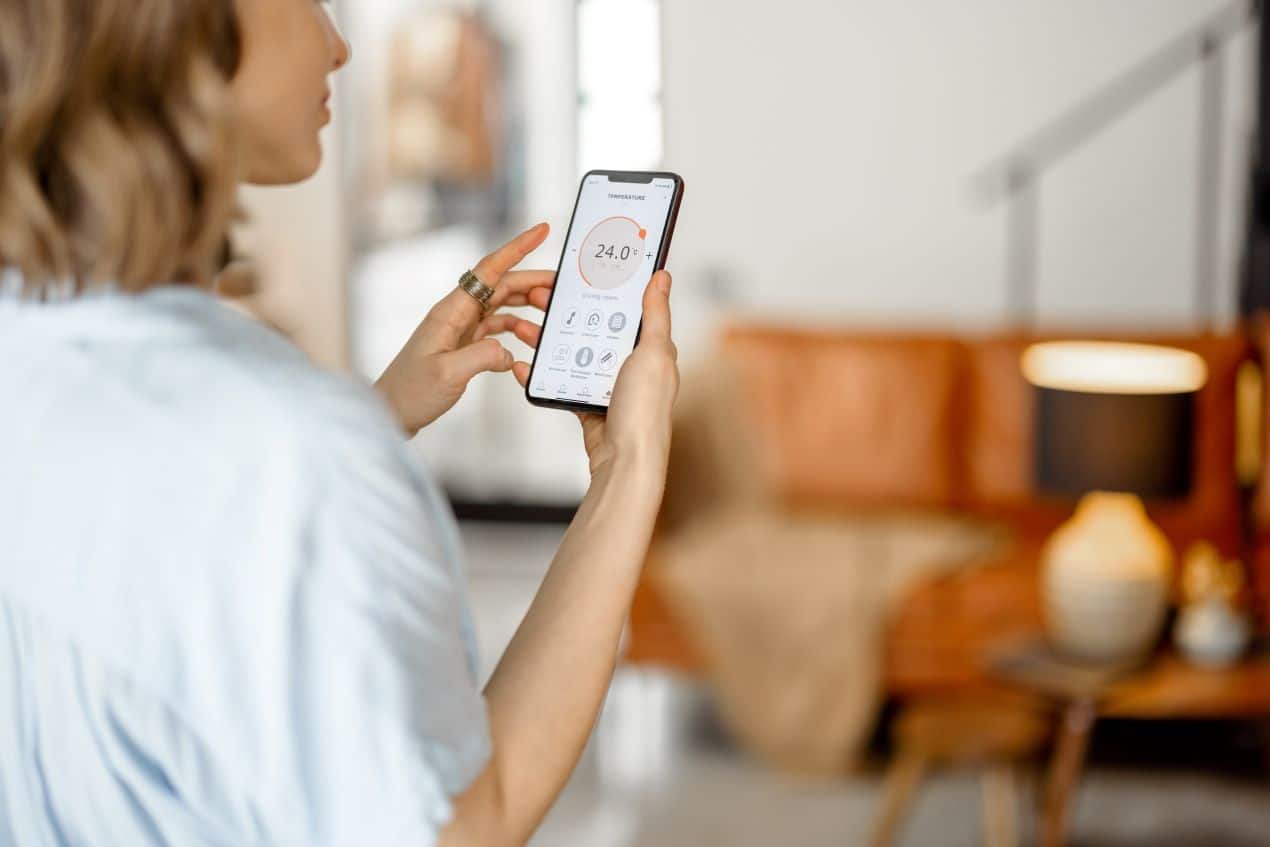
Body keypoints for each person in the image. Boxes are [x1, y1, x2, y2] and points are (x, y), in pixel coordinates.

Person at [0, 1, 679, 844]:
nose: (340, 40)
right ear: (179, 30)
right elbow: (469, 822)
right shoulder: (296, 455)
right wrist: (628, 470)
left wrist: (375, 412)